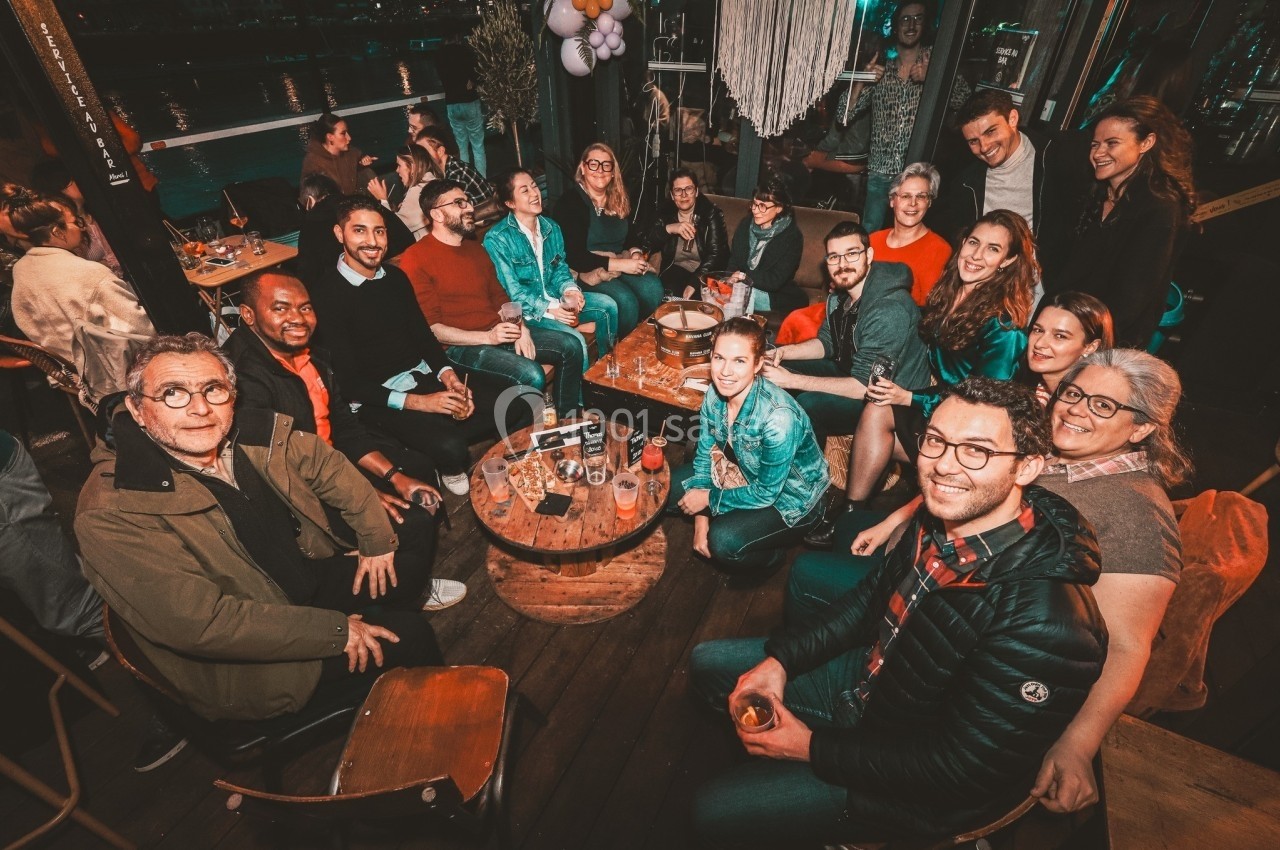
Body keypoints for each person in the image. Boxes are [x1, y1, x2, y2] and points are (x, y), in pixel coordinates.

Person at [687, 377, 1107, 845]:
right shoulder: (940, 519)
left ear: (1027, 468)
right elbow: (868, 603)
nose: (944, 466)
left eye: (977, 451)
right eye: (936, 441)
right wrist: (780, 661)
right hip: (876, 686)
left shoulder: (1047, 623)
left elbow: (957, 770)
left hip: (910, 787)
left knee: (711, 812)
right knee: (708, 665)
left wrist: (808, 747)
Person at [808, 350, 1186, 816]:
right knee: (818, 577)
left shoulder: (1139, 518)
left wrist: (1077, 745)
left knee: (809, 577)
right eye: (1073, 393)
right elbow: (967, 483)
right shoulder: (1053, 453)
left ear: (1143, 428)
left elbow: (1128, 646)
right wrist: (893, 520)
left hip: (965, 655)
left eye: (1104, 406)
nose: (1076, 409)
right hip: (921, 594)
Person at [76, 334, 443, 723]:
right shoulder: (112, 511)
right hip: (250, 652)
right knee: (413, 635)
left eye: (213, 389)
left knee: (410, 547)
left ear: (232, 395)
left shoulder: (244, 432)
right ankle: (421, 727)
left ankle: (377, 626)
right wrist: (335, 630)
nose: (200, 408)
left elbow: (326, 465)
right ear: (136, 409)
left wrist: (373, 539)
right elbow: (203, 624)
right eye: (173, 393)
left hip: (299, 579)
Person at [223, 271, 467, 612]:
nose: (297, 318)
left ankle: (408, 574)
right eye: (281, 309)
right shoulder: (243, 378)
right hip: (295, 496)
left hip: (333, 459)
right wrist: (363, 495)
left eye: (305, 308)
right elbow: (280, 472)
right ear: (248, 315)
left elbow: (345, 428)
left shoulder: (315, 356)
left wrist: (394, 476)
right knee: (411, 522)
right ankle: (403, 593)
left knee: (419, 470)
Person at [813, 210, 1035, 546]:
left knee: (881, 407)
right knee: (877, 407)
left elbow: (984, 402)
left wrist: (911, 398)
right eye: (973, 242)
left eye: (993, 249)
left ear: (1008, 261)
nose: (976, 255)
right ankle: (851, 513)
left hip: (968, 427)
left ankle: (877, 519)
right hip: (938, 405)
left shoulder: (1003, 326)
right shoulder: (952, 293)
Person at [309, 198, 530, 495]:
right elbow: (350, 385)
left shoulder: (395, 278)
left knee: (519, 400)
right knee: (452, 448)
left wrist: (448, 378)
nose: (372, 241)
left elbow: (424, 337)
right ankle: (447, 461)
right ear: (340, 234)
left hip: (423, 375)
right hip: (380, 397)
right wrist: (425, 403)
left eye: (380, 231)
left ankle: (502, 462)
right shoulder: (326, 296)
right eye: (360, 231)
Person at [397, 180, 584, 417]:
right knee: (531, 374)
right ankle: (527, 442)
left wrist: (521, 328)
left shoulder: (474, 248)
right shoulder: (416, 258)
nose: (469, 208)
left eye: (468, 201)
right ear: (437, 214)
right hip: (458, 348)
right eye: (459, 203)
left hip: (497, 333)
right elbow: (431, 330)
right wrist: (487, 336)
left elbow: (500, 298)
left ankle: (568, 420)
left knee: (571, 345)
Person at [667, 318, 828, 578]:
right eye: (719, 358)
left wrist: (707, 499)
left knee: (724, 541)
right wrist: (701, 517)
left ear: (758, 365)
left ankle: (771, 557)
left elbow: (766, 493)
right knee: (663, 488)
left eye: (739, 361)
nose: (725, 372)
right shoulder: (715, 393)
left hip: (793, 499)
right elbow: (706, 454)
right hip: (741, 470)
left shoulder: (778, 418)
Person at [763, 220, 930, 452]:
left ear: (869, 255)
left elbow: (865, 386)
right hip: (850, 371)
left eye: (851, 254)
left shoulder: (889, 309)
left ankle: (810, 477)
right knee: (778, 364)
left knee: (811, 404)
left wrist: (792, 381)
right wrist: (781, 351)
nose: (842, 264)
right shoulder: (840, 296)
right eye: (834, 257)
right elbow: (827, 343)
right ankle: (768, 444)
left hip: (888, 401)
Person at [1050, 96, 1196, 348]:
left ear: (1146, 143)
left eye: (1112, 143)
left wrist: (1085, 343)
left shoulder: (1159, 208)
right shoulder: (1094, 195)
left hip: (1104, 343)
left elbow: (1131, 300)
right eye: (1095, 145)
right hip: (1065, 330)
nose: (1098, 153)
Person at [929, 89, 1090, 282]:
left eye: (991, 131)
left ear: (1012, 119)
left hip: (1039, 284)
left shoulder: (1056, 154)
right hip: (987, 284)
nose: (985, 147)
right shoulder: (966, 183)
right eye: (974, 141)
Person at [835, 2, 968, 231]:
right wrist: (862, 80)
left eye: (918, 18)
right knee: (871, 231)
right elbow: (844, 115)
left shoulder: (935, 62)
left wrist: (934, 77)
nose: (911, 24)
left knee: (912, 233)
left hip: (918, 171)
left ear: (925, 25)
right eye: (905, 19)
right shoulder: (881, 69)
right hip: (880, 170)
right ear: (896, 26)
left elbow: (965, 103)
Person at [8, 195, 155, 385]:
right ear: (57, 232)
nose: (82, 227)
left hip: (68, 373)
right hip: (111, 376)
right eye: (75, 222)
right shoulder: (89, 273)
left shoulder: (21, 269)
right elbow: (144, 332)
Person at [483, 167, 619, 367]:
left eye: (534, 186)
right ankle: (581, 396)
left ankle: (606, 372)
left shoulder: (551, 227)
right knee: (576, 341)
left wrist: (570, 289)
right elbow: (512, 292)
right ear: (510, 203)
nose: (534, 193)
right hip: (529, 315)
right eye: (524, 190)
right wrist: (552, 308)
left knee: (609, 306)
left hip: (555, 300)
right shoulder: (497, 239)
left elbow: (560, 268)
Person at [552, 143, 664, 338]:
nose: (600, 170)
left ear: (613, 172)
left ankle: (643, 340)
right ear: (583, 168)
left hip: (618, 263)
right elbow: (574, 256)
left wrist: (636, 253)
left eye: (606, 165)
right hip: (585, 270)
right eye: (594, 164)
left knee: (652, 288)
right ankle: (619, 353)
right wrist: (622, 264)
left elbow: (631, 235)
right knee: (625, 300)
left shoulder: (617, 197)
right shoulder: (570, 203)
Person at [295, 173, 414, 289]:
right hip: (407, 268)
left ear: (310, 200)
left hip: (358, 283)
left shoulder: (313, 221)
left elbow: (308, 275)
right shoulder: (364, 204)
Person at [869, 162, 952, 306]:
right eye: (906, 196)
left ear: (929, 202)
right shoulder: (873, 240)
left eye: (921, 196)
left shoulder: (939, 249)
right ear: (892, 201)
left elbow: (929, 310)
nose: (913, 203)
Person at [725, 178, 807, 318]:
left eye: (762, 206)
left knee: (744, 293)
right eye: (754, 204)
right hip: (741, 284)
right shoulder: (746, 225)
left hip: (774, 294)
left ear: (779, 208)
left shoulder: (792, 236)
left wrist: (744, 277)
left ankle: (742, 335)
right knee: (714, 290)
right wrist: (730, 279)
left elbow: (775, 281)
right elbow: (734, 261)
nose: (756, 210)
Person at [644, 168, 729, 299]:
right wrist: (670, 228)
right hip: (675, 269)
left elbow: (716, 255)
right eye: (678, 190)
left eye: (689, 189)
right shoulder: (664, 214)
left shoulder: (711, 214)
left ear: (696, 192)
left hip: (706, 272)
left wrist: (694, 282)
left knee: (698, 298)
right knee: (668, 293)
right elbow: (647, 242)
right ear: (672, 195)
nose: (684, 195)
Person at [30, 159, 123, 278]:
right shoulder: (65, 228)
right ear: (59, 187)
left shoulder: (96, 211)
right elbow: (76, 272)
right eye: (73, 180)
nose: (82, 182)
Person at [1021, 291, 1114, 404]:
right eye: (1038, 330)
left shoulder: (1083, 405)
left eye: (1060, 336)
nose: (1039, 344)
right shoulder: (1036, 394)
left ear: (1090, 347)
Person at [414, 125, 501, 222]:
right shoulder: (451, 168)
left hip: (486, 224)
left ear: (440, 151)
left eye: (424, 152)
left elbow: (454, 212)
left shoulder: (456, 173)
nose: (420, 158)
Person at [433, 32, 487, 177]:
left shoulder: (439, 55)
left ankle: (466, 181)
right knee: (477, 146)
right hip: (469, 101)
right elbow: (478, 74)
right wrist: (472, 81)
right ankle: (481, 180)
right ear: (457, 37)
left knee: (462, 146)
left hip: (451, 103)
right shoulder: (465, 51)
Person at [367, 145, 436, 240]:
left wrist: (382, 200)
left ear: (412, 166)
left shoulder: (420, 189)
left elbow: (398, 228)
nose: (397, 170)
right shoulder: (432, 182)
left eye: (399, 165)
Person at [300, 113, 376, 196]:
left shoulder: (351, 153)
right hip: (331, 206)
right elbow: (308, 196)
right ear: (330, 137)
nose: (349, 138)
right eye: (343, 133)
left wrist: (362, 163)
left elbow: (355, 167)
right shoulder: (313, 162)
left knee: (368, 173)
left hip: (351, 201)